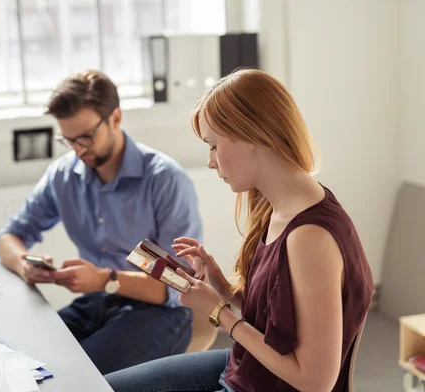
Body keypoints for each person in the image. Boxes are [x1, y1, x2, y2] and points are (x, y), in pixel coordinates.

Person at [105, 69, 375, 391]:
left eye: (214, 146)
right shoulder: (280, 207)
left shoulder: (310, 237)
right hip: (245, 366)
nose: (211, 161)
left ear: (251, 136)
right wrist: (223, 289)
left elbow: (315, 381)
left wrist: (219, 313)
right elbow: (282, 322)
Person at [0, 70, 203, 375]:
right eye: (68, 140)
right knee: (20, 364)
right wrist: (24, 263)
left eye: (86, 137)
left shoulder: (164, 180)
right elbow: (10, 236)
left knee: (74, 378)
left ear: (115, 118)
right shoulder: (63, 176)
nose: (78, 150)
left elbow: (178, 285)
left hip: (160, 313)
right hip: (99, 301)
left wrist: (106, 278)